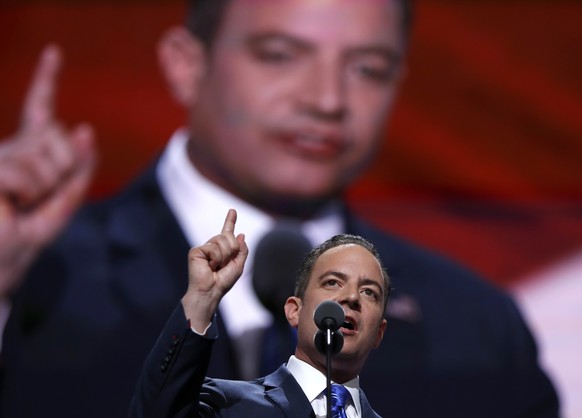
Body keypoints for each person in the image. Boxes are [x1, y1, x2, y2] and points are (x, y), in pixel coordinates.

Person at [0, 0, 559, 417]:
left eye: (367, 67)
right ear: (186, 65)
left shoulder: (478, 328)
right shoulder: (32, 280)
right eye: (280, 56)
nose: (327, 100)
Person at [130, 209, 387, 418]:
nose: (352, 297)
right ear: (294, 311)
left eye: (369, 292)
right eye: (332, 282)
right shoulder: (223, 404)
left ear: (379, 333)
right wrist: (202, 298)